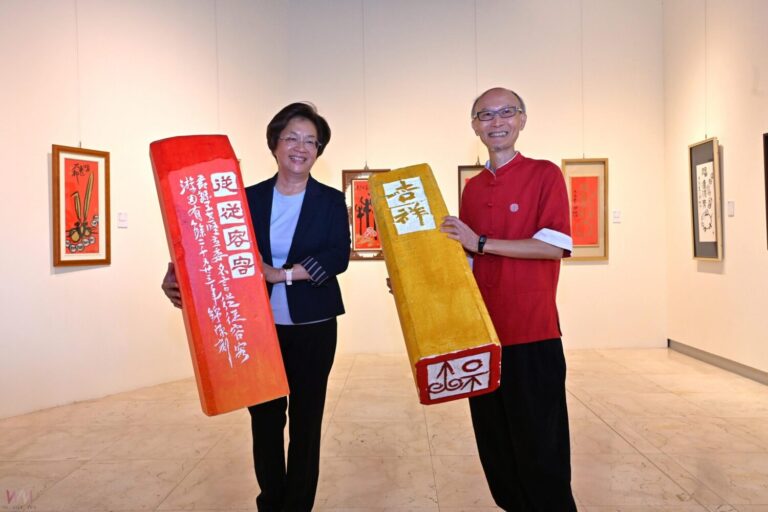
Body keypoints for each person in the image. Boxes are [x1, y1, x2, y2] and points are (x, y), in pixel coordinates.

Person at [162, 102, 350, 511]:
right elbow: (205, 244)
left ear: (319, 150)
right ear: (274, 143)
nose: (301, 148)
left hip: (314, 325)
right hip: (255, 324)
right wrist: (178, 277)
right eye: (292, 138)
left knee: (306, 421)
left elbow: (338, 256)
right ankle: (271, 501)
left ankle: (297, 505)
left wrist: (280, 275)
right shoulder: (246, 198)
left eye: (311, 141)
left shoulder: (331, 200)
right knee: (264, 418)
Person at [440, 87, 577, 511]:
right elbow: (469, 262)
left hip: (533, 335)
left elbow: (553, 246)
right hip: (483, 338)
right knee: (497, 453)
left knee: (543, 456)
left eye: (506, 113)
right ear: (474, 126)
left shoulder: (544, 174)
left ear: (522, 120)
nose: (496, 122)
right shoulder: (473, 188)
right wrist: (424, 282)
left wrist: (481, 242)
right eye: (486, 115)